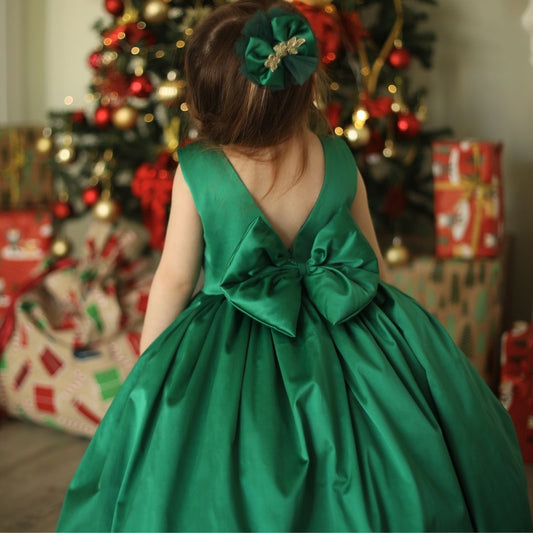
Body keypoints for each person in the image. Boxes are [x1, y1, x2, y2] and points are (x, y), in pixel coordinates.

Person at [57, 1, 532, 531]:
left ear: (206, 104)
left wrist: (149, 371)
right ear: (304, 84)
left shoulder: (199, 170)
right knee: (382, 458)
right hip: (346, 324)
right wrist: (392, 347)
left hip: (227, 346)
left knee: (211, 475)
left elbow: (173, 278)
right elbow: (369, 263)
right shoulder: (338, 158)